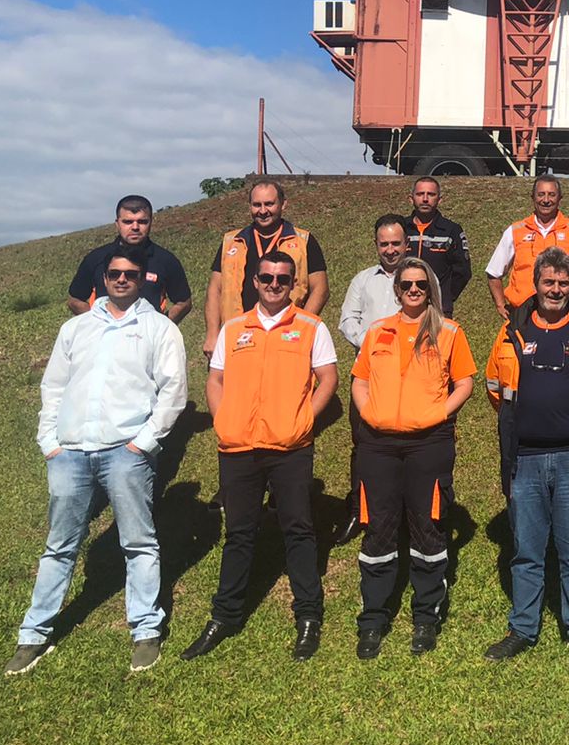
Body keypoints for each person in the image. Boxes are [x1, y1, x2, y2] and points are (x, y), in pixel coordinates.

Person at [6, 245, 188, 676]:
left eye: (129, 273)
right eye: (113, 273)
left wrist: (143, 443)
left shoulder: (160, 329)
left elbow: (173, 392)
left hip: (126, 453)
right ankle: (34, 635)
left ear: (143, 278)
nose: (120, 278)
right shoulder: (77, 329)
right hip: (70, 453)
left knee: (139, 542)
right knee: (59, 546)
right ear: (102, 278)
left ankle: (145, 630)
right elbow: (53, 387)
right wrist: (49, 441)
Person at [181, 249, 338, 662]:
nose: (273, 286)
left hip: (290, 447)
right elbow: (215, 379)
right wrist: (223, 418)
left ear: (293, 285)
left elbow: (328, 379)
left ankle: (308, 615)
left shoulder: (310, 326)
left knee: (300, 530)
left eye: (282, 280)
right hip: (239, 447)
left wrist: (305, 417)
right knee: (239, 533)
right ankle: (226, 614)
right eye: (266, 278)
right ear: (254, 281)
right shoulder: (234, 329)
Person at [483, 248, 569, 664]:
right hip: (523, 459)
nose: (556, 290)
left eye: (564, 283)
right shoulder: (511, 331)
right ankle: (523, 628)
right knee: (526, 548)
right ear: (536, 284)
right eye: (549, 282)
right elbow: (494, 387)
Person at [351, 257, 476, 658]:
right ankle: (374, 616)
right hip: (379, 443)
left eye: (421, 284)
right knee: (379, 527)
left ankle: (426, 615)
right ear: (397, 290)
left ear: (431, 289)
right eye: (407, 285)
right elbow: (360, 380)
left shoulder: (450, 332)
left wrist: (441, 413)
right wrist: (369, 413)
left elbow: (466, 382)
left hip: (429, 443)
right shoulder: (377, 331)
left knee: (428, 527)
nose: (414, 291)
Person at [332, 214, 414, 546]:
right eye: (384, 244)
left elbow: (433, 317)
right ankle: (359, 511)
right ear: (376, 245)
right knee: (364, 445)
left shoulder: (420, 278)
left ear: (406, 243)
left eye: (396, 243)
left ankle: (408, 512)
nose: (391, 250)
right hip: (368, 376)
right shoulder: (363, 280)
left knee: (409, 446)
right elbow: (346, 320)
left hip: (410, 377)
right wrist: (373, 341)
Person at [203, 178, 329, 358]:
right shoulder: (231, 242)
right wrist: (212, 334)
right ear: (249, 206)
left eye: (269, 204)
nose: (263, 211)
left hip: (286, 336)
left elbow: (321, 289)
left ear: (283, 204)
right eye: (257, 205)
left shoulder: (303, 241)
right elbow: (215, 289)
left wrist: (302, 327)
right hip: (237, 335)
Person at [485, 174, 569, 320]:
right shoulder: (515, 230)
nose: (546, 200)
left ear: (560, 198)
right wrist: (500, 305)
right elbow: (493, 272)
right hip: (522, 314)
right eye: (541, 195)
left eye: (551, 195)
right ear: (533, 197)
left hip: (563, 312)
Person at [66, 194, 192, 323]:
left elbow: (184, 302)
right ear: (117, 223)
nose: (135, 227)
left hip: (147, 338)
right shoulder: (96, 258)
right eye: (128, 222)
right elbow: (74, 300)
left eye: (142, 222)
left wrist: (162, 325)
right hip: (106, 337)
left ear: (151, 222)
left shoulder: (166, 260)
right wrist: (96, 324)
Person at [405, 176, 472, 316]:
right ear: (411, 198)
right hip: (403, 306)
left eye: (431, 194)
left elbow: (462, 271)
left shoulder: (452, 230)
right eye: (420, 194)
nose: (425, 199)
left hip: (438, 309)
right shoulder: (401, 228)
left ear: (440, 199)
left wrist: (444, 296)